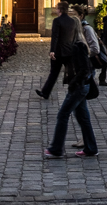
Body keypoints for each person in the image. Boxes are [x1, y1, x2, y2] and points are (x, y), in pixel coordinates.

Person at [45, 12, 97, 159]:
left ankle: (56, 149)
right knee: (83, 118)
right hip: (80, 86)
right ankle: (91, 148)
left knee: (63, 115)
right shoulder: (74, 44)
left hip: (79, 87)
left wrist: (73, 83)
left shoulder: (79, 45)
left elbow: (84, 70)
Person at [38, 2, 79, 101]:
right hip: (69, 51)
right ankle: (75, 91)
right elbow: (74, 36)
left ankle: (45, 92)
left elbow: (55, 37)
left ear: (60, 10)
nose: (56, 10)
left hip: (59, 51)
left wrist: (52, 50)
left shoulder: (57, 21)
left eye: (57, 9)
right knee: (71, 73)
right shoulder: (72, 21)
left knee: (54, 73)